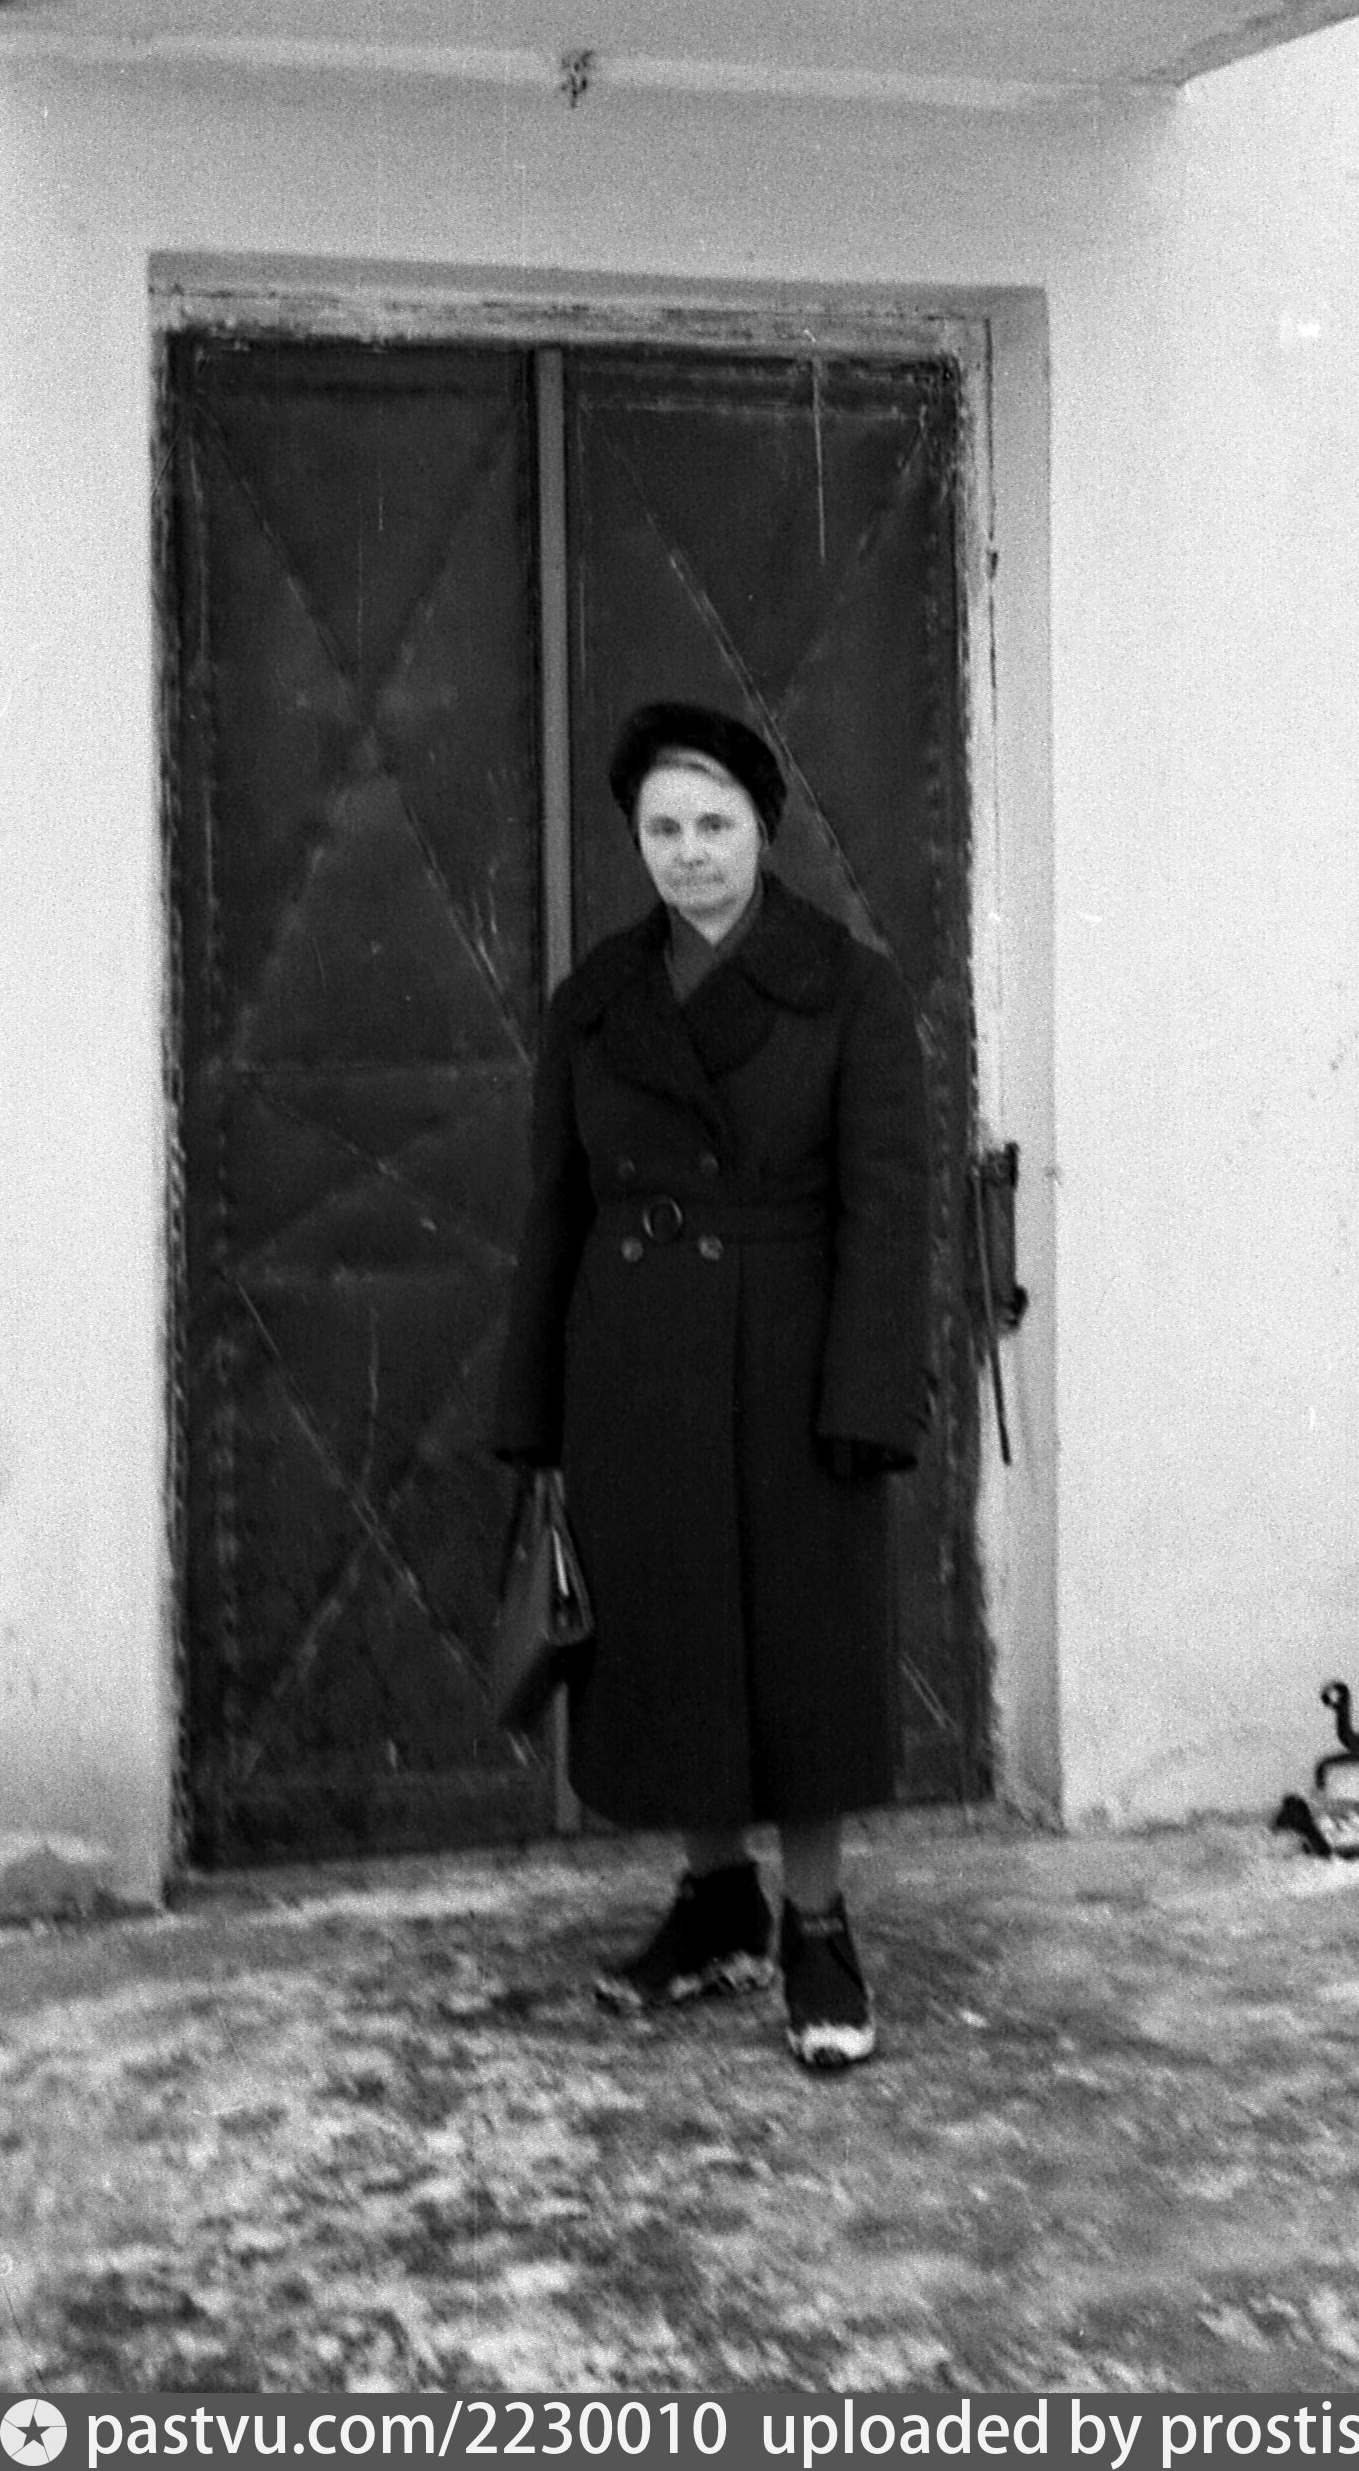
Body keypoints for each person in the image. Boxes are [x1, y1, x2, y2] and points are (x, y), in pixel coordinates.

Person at [491, 699, 934, 2068]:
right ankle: (715, 1901)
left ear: (763, 827)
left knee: (804, 1653)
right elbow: (556, 1215)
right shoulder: (595, 1001)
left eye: (715, 824)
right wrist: (536, 1410)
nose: (689, 852)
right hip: (635, 1370)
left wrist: (870, 1395)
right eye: (663, 828)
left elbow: (888, 1210)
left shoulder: (850, 989)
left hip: (794, 1373)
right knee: (670, 1644)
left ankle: (818, 1926)